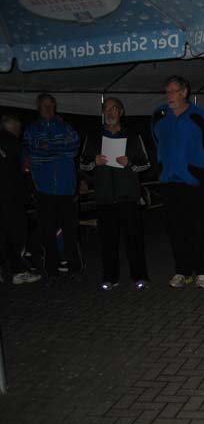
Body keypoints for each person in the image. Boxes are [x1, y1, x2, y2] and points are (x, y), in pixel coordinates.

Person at [80, 98, 150, 290]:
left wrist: (130, 163)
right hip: (104, 197)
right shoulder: (94, 136)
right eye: (106, 109)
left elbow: (146, 163)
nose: (110, 112)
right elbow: (83, 163)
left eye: (114, 108)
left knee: (133, 239)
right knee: (108, 241)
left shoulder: (133, 135)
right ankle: (110, 278)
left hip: (128, 196)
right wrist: (94, 161)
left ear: (121, 112)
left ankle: (139, 276)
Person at [152, 75, 204, 289]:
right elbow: (157, 142)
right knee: (175, 228)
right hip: (169, 181)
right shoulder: (159, 115)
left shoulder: (199, 115)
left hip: (193, 181)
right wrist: (163, 167)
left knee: (199, 227)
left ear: (184, 92)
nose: (169, 95)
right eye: (167, 91)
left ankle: (203, 271)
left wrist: (195, 169)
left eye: (173, 91)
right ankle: (182, 270)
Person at [23, 93, 82, 283]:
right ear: (38, 108)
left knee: (70, 232)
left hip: (66, 189)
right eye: (44, 105)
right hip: (44, 190)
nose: (48, 109)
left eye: (51, 105)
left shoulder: (66, 127)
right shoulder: (32, 130)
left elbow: (74, 148)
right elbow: (34, 152)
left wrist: (49, 148)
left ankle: (75, 268)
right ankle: (52, 271)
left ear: (55, 107)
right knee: (47, 232)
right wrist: (60, 148)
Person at [0, 113, 41, 285]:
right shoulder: (15, 145)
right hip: (12, 197)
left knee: (3, 233)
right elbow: (26, 169)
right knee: (16, 233)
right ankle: (19, 270)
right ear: (14, 126)